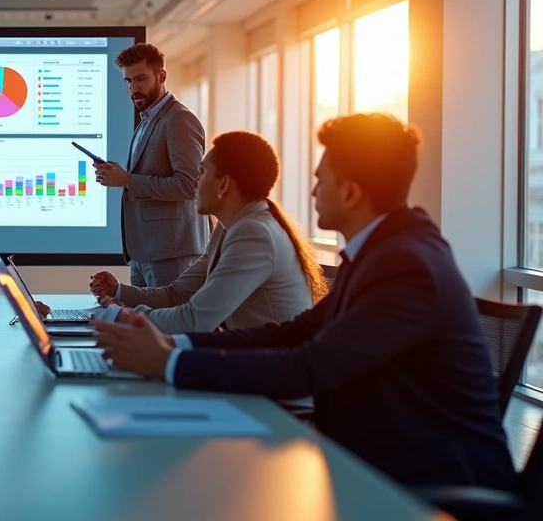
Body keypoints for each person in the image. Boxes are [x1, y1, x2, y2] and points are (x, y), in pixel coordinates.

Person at [93, 113, 515, 489]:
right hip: (387, 456)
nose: (312, 191)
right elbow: (300, 331)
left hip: (439, 483)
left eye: (320, 180)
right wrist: (175, 347)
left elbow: (311, 365)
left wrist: (169, 362)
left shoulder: (406, 265)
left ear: (350, 193)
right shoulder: (384, 250)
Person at [84, 131, 327, 333]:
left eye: (202, 173)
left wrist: (121, 316)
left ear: (224, 184)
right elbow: (177, 295)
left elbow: (195, 320)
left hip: (270, 381)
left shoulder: (254, 235)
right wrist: (119, 292)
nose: (195, 183)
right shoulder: (229, 227)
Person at [91, 43, 211, 288]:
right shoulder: (148, 119)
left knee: (166, 325)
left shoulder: (179, 119)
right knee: (144, 323)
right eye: (128, 82)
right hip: (145, 252)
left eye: (141, 79)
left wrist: (127, 180)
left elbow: (190, 186)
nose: (133, 89)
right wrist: (120, 175)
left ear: (162, 76)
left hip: (173, 253)